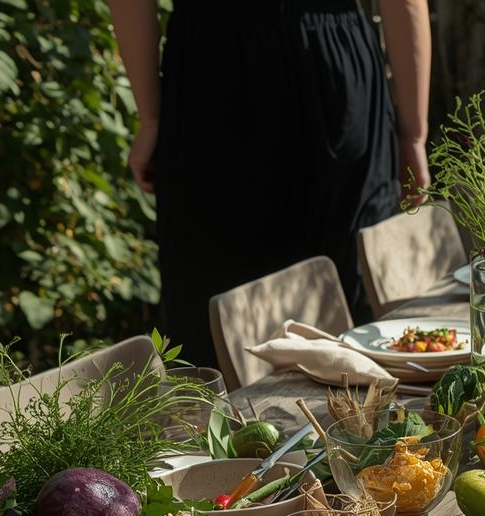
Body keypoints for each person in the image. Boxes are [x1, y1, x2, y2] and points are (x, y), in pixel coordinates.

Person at [107, 0, 431, 366]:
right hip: (333, 72)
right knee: (351, 307)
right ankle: (369, 420)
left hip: (210, 77)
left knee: (215, 312)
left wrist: (151, 118)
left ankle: (215, 423)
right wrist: (413, 135)